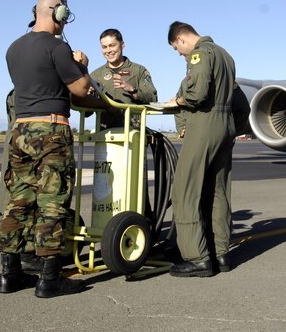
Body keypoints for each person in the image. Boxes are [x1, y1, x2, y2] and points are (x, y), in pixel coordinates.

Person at [0, 0, 112, 298]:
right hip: (51, 130)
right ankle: (49, 279)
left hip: (20, 130)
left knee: (18, 202)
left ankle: (10, 274)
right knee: (52, 202)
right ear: (58, 14)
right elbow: (81, 89)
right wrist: (84, 67)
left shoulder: (14, 48)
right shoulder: (58, 48)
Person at [164, 21, 236, 277]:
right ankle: (222, 254)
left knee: (184, 190)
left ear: (181, 39)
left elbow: (198, 93)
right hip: (226, 125)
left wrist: (178, 101)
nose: (179, 53)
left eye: (176, 48)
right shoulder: (224, 54)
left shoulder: (200, 53)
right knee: (217, 191)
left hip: (205, 123)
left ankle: (197, 257)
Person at [90, 28, 157, 129]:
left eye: (112, 45)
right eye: (104, 47)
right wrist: (88, 95)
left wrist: (132, 90)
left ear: (122, 45)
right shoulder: (95, 75)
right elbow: (86, 112)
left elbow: (153, 98)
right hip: (105, 135)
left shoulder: (139, 71)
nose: (108, 51)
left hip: (133, 133)